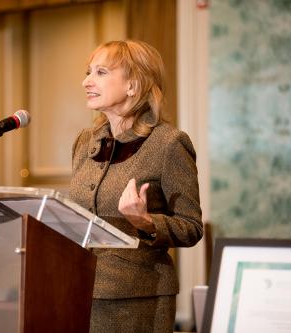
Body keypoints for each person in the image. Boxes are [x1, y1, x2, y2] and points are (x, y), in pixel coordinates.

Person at [69, 40, 203, 333]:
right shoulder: (84, 142)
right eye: (88, 72)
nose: (86, 81)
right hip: (76, 291)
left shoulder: (169, 144)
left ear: (133, 85)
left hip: (137, 300)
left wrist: (146, 222)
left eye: (101, 72)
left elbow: (191, 227)